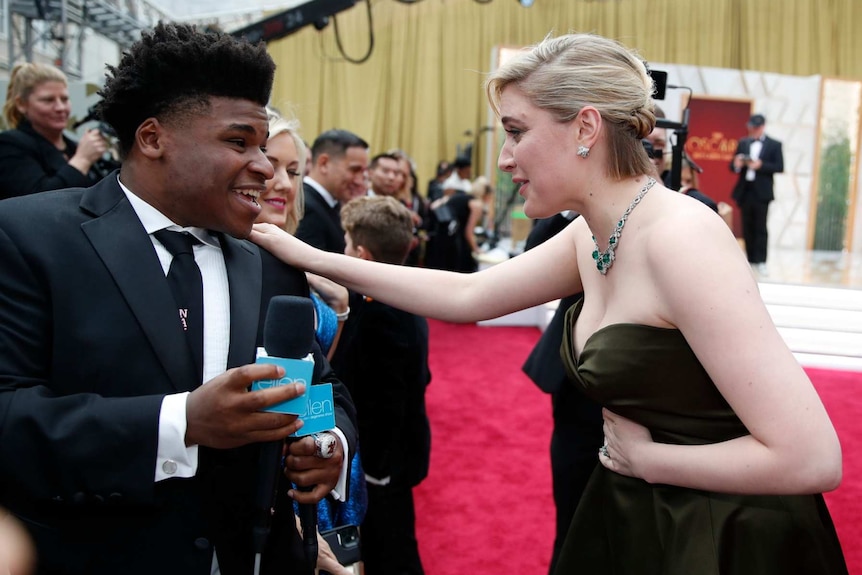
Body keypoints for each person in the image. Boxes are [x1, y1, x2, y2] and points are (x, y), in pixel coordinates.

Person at [251, 32, 848, 575]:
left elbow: (812, 457)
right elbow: (471, 294)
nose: (505, 158)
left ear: (586, 128)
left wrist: (650, 462)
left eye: (516, 131)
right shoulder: (595, 231)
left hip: (725, 538)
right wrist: (305, 254)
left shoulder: (681, 237)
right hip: (635, 508)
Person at [0, 22, 357, 575]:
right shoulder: (27, 237)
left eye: (264, 147)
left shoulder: (272, 260)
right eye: (238, 142)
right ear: (152, 138)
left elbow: (318, 384)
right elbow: (9, 415)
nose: (265, 168)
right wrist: (182, 421)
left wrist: (324, 441)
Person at [337, 195, 431, 575]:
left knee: (391, 547)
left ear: (361, 255)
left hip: (383, 463)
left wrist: (377, 469)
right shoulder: (399, 297)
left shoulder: (382, 314)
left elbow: (387, 400)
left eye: (345, 243)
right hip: (391, 455)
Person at [520, 211, 603, 575]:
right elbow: (532, 257)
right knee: (571, 509)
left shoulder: (684, 210)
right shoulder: (574, 217)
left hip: (640, 393)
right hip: (574, 380)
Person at [0, 62, 109, 199]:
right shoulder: (9, 145)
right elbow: (36, 200)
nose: (60, 108)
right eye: (48, 100)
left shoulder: (74, 147)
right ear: (22, 104)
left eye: (64, 99)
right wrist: (82, 160)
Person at [296, 129, 369, 254]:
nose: (359, 181)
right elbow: (309, 268)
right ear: (324, 163)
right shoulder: (307, 207)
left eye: (363, 172)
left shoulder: (330, 204)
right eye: (355, 170)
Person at [730, 113, 784, 275]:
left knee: (760, 227)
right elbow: (733, 167)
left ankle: (761, 261)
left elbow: (779, 166)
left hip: (762, 192)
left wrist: (761, 165)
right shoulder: (744, 143)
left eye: (756, 127)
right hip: (746, 190)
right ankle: (750, 259)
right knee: (747, 226)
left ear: (762, 127)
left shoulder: (774, 144)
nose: (753, 130)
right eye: (752, 127)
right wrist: (737, 164)